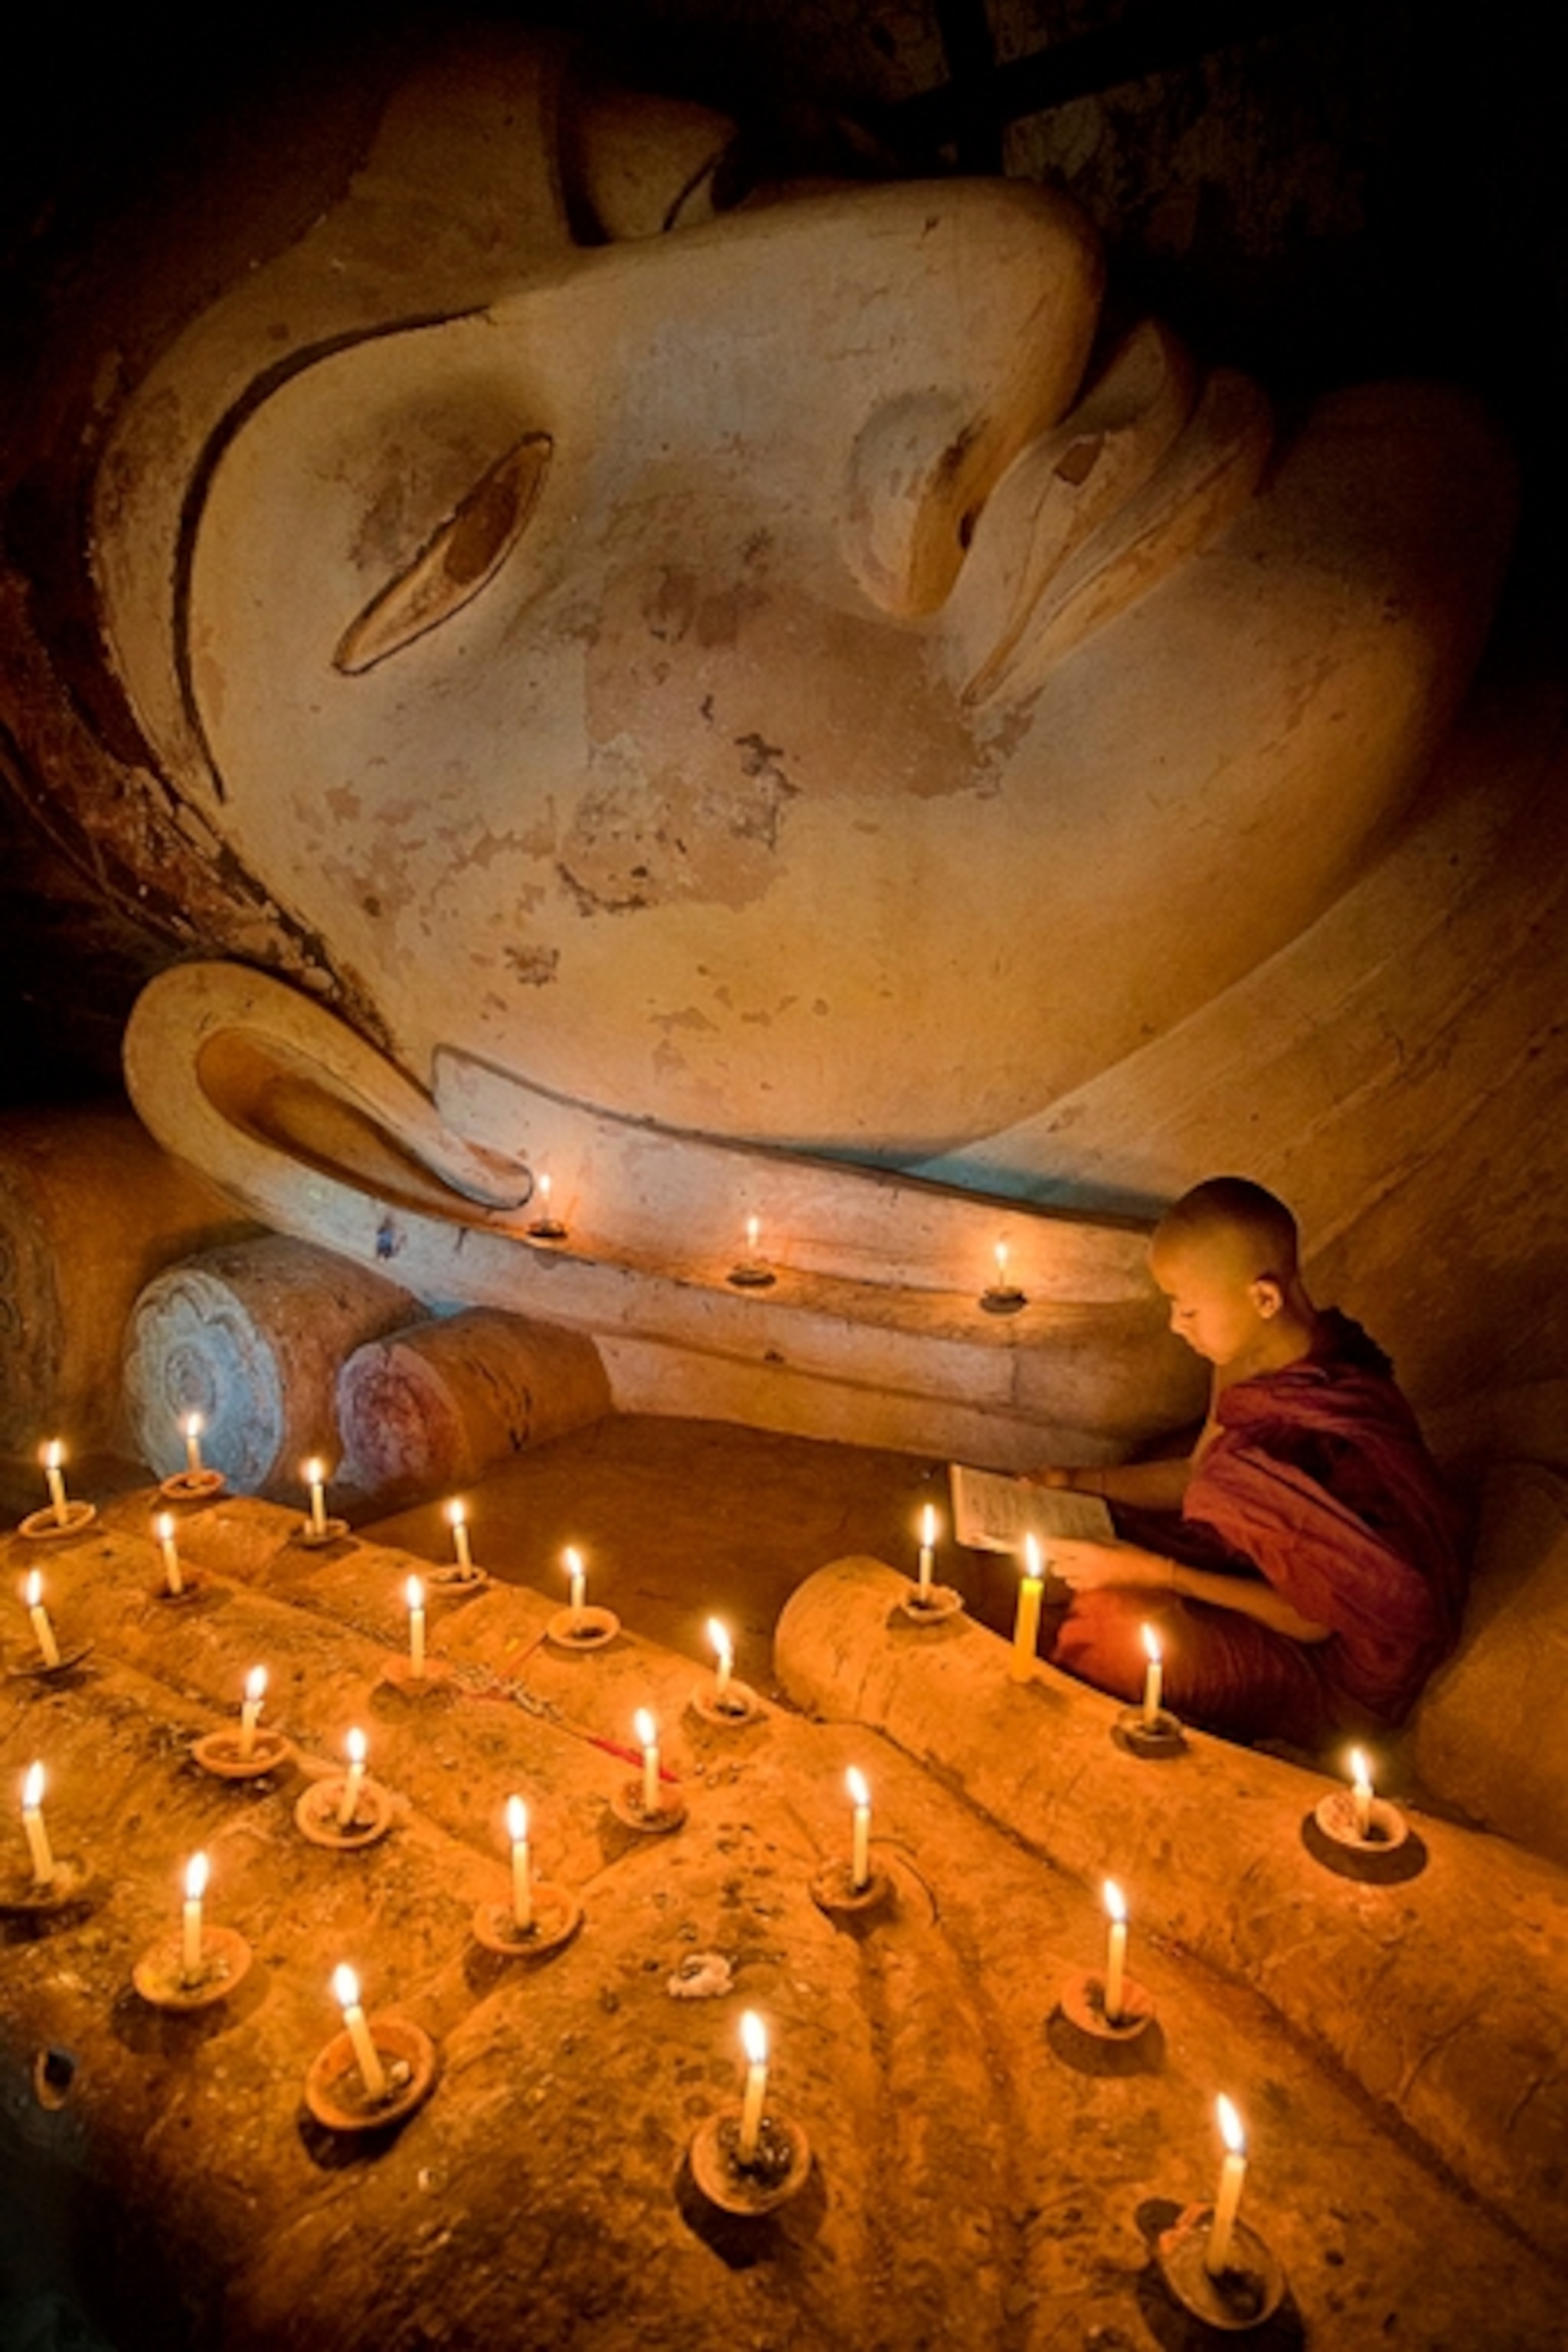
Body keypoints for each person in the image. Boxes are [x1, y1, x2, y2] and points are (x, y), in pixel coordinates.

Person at [1037, 1177, 1466, 1748]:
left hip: (1327, 1657)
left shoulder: (1335, 1408)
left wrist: (1155, 1573)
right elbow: (1197, 1477)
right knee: (1051, 1548)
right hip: (1252, 1570)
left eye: (1186, 1309)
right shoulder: (1240, 1356)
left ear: (1264, 1298)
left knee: (1106, 1637)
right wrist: (1075, 1485)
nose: (1174, 1326)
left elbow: (1313, 1621)